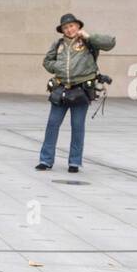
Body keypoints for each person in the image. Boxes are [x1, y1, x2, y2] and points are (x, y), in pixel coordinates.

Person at [37, 13, 115, 173]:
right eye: (65, 27)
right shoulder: (58, 44)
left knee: (77, 126)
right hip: (61, 88)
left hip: (81, 90)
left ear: (78, 26)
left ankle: (74, 162)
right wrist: (58, 68)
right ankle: (45, 160)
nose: (69, 29)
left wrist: (89, 36)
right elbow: (47, 61)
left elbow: (110, 43)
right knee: (52, 124)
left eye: (72, 25)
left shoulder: (88, 42)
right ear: (62, 30)